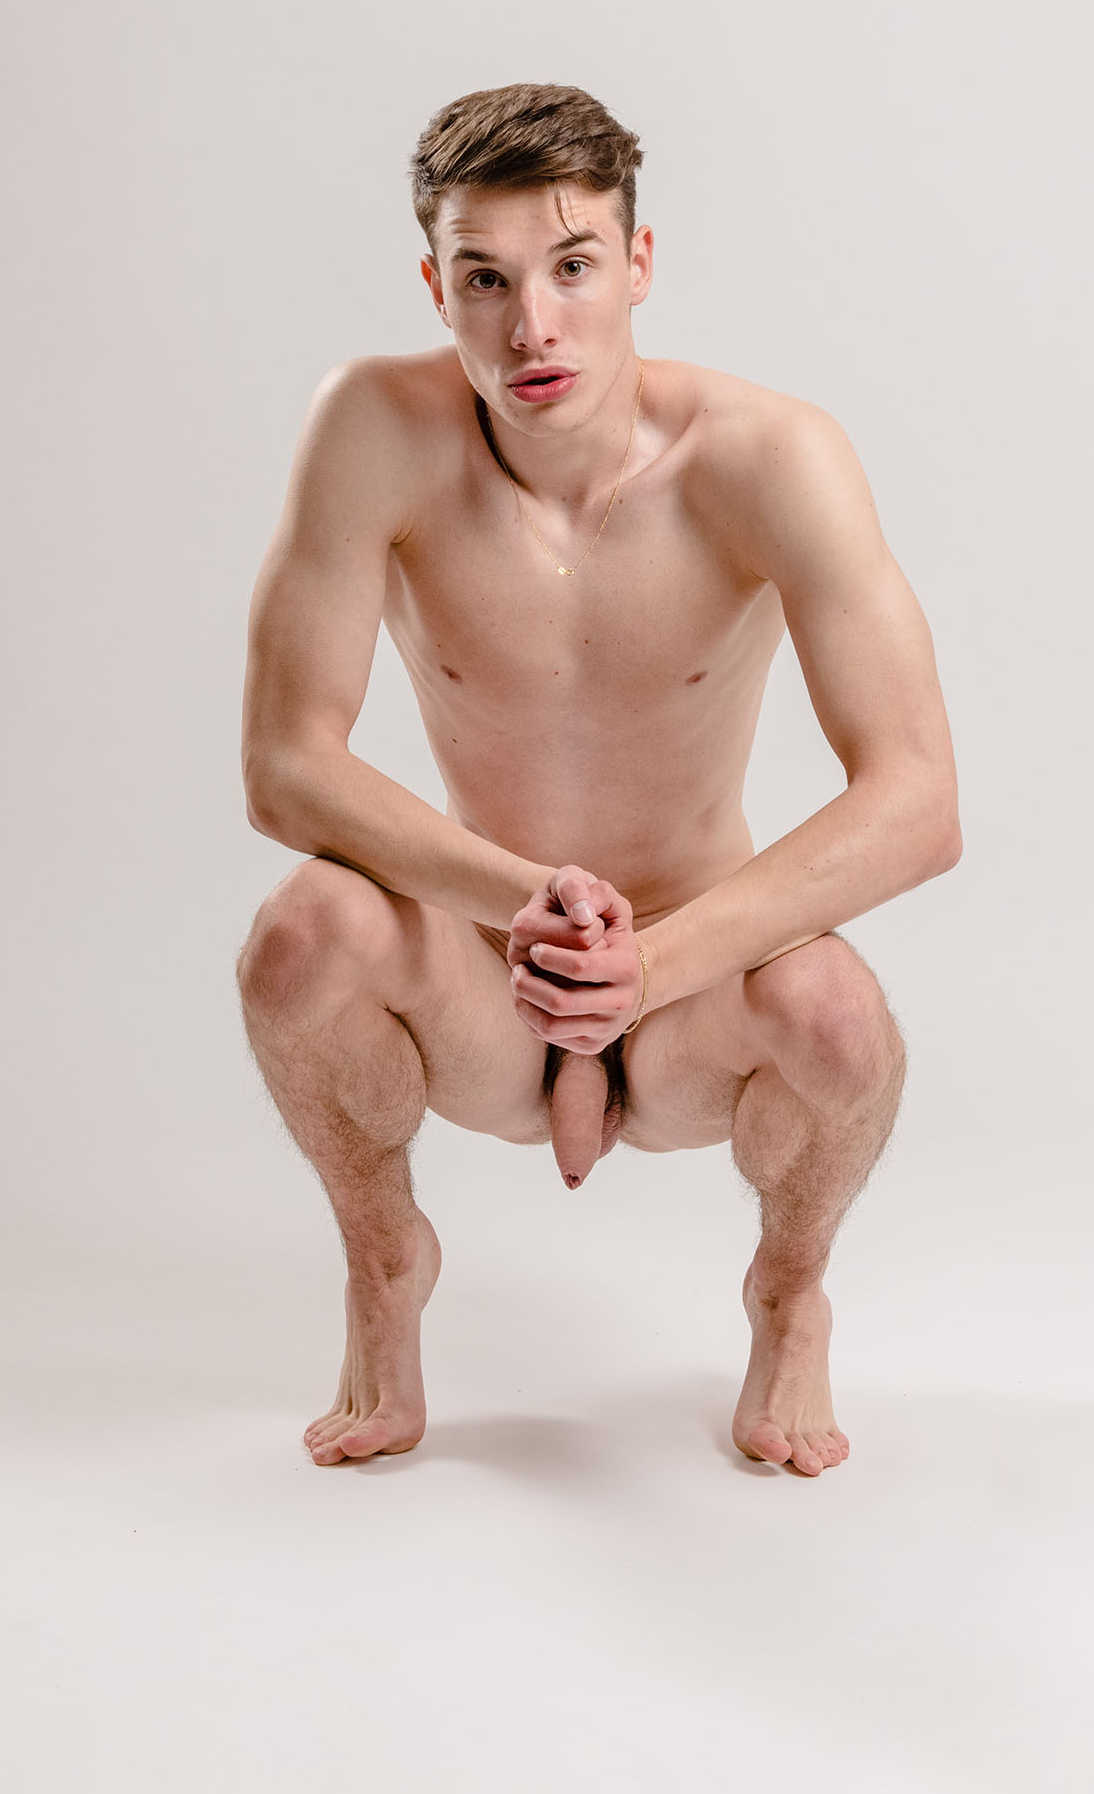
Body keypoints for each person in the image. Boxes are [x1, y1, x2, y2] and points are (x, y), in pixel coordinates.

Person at [236, 81, 961, 1478]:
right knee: (297, 936)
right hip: (485, 975)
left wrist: (653, 962)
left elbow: (918, 798)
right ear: (435, 284)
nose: (533, 326)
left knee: (838, 1017)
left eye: (571, 267)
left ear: (638, 263)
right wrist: (522, 903)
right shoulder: (372, 428)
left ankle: (790, 1288)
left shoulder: (772, 457)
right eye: (486, 278)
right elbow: (285, 765)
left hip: (695, 990)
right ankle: (384, 1261)